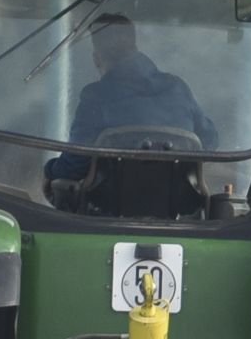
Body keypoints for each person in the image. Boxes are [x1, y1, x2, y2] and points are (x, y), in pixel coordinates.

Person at [43, 11, 216, 206]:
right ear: (135, 47)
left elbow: (75, 162)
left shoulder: (96, 96)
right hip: (181, 210)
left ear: (96, 59)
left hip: (107, 212)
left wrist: (50, 171)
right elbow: (209, 142)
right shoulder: (177, 88)